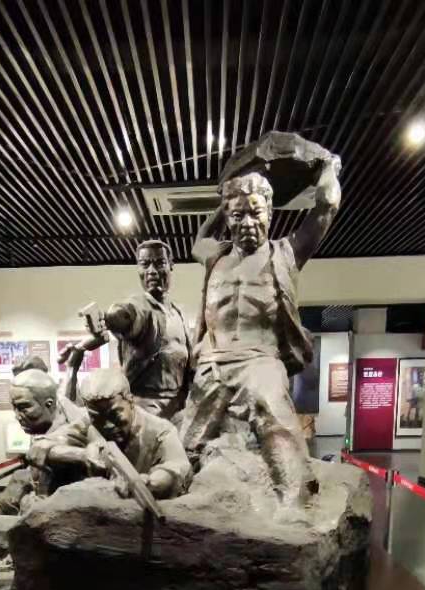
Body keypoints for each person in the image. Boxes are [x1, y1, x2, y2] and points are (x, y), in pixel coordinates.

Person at [177, 150, 341, 510]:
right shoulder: (216, 257)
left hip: (259, 359)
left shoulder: (286, 253)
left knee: (272, 411)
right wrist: (226, 197)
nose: (248, 222)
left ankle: (294, 502)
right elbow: (197, 241)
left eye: (256, 212)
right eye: (238, 215)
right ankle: (175, 500)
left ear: (270, 213)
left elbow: (326, 207)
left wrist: (328, 166)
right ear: (228, 219)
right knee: (187, 440)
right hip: (214, 362)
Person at [70, 240, 193, 419]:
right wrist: (107, 319)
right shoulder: (139, 306)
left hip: (179, 408)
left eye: (159, 263)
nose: (152, 271)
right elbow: (124, 314)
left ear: (171, 265)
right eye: (145, 264)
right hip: (145, 410)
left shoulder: (179, 313)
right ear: (138, 269)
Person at [56, 367, 191, 501]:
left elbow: (177, 466)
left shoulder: (160, 430)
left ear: (130, 401)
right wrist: (82, 455)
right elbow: (46, 445)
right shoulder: (87, 423)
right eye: (97, 418)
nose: (107, 425)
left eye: (114, 415)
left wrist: (150, 483)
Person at [0, 369, 92, 514]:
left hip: (71, 506)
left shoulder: (77, 424)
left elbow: (76, 431)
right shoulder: (56, 407)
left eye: (23, 407)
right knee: (19, 479)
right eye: (15, 408)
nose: (17, 416)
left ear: (49, 404)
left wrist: (51, 443)